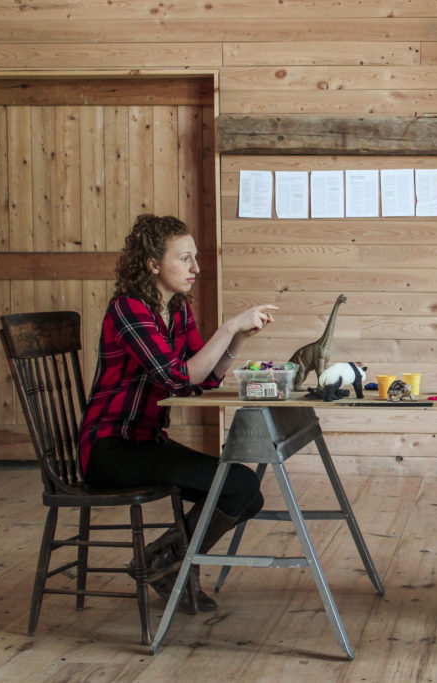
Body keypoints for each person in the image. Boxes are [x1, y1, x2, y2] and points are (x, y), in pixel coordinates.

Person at [79, 214, 277, 614]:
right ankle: (168, 565)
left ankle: (163, 561)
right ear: (153, 264)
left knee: (243, 490)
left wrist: (237, 337)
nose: (195, 269)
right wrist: (225, 328)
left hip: (146, 443)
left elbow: (199, 381)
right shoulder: (128, 309)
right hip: (109, 450)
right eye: (185, 259)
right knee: (237, 486)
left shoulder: (177, 309)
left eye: (196, 259)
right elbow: (175, 378)